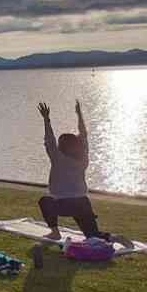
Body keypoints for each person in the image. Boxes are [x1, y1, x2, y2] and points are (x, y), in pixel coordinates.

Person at [37, 101, 129, 244]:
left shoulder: (58, 158)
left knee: (44, 201)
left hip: (64, 204)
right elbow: (84, 135)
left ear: (61, 147)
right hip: (83, 203)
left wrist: (46, 120)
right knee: (93, 235)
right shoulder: (83, 159)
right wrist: (79, 114)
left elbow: (50, 140)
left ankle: (55, 232)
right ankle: (115, 238)